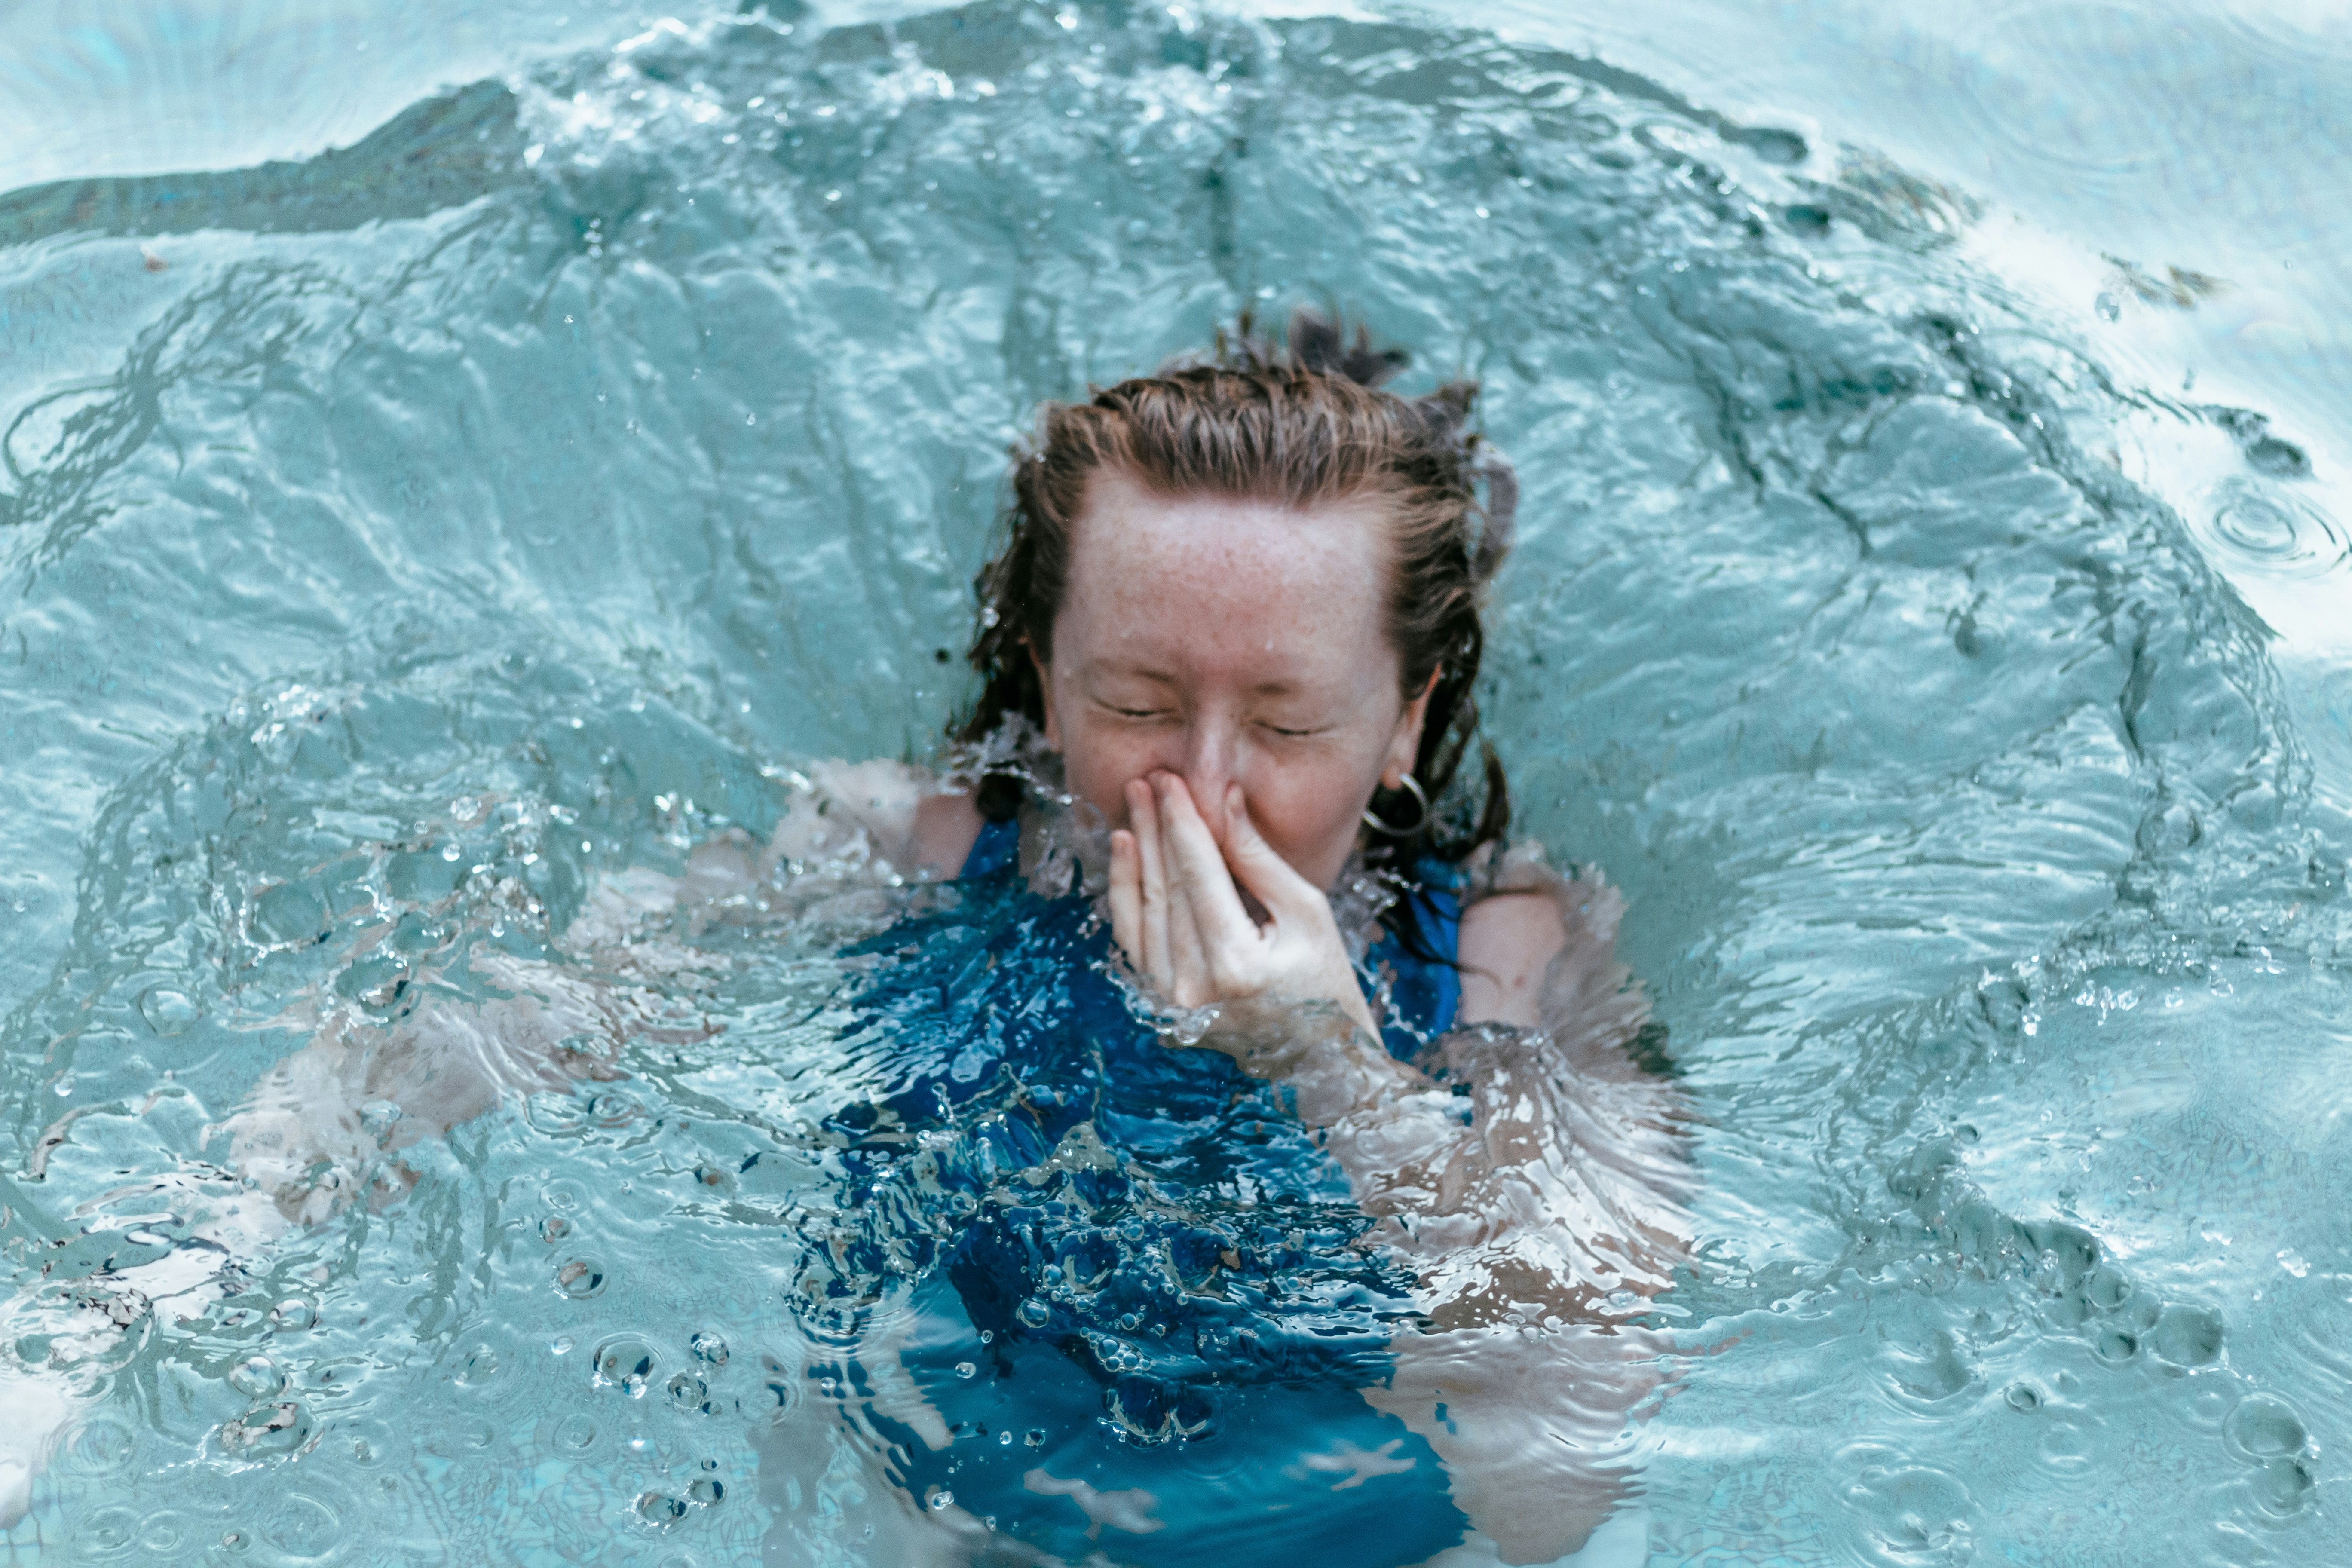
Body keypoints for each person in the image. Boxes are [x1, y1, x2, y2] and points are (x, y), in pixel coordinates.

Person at [756, 314, 1695, 1566]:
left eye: (1290, 725)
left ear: (1405, 723)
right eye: (1136, 705)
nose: (1205, 789)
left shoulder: (1512, 958)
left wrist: (1337, 1071)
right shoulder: (892, 854)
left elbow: (1558, 1474)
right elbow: (542, 1012)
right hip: (959, 1527)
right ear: (1046, 679)